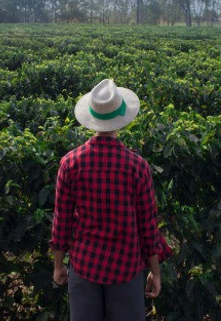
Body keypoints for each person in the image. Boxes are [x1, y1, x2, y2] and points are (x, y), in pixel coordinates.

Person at [50, 78, 168, 321]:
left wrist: (58, 265)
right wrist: (155, 272)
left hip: (85, 266)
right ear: (121, 119)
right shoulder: (138, 167)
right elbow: (148, 225)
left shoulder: (70, 163)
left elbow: (62, 221)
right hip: (126, 268)